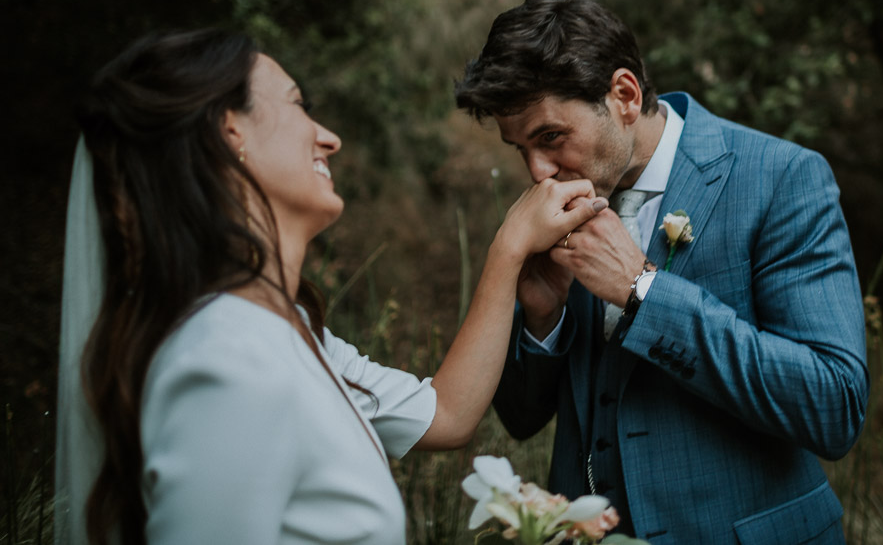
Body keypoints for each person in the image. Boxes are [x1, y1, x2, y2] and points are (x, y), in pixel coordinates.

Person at [54, 29, 606, 545]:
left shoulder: (290, 333)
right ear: (231, 135)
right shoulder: (225, 359)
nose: (330, 138)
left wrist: (508, 253)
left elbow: (447, 414)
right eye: (297, 105)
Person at [454, 0, 869, 545]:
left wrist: (644, 289)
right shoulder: (553, 211)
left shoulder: (781, 177)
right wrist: (542, 318)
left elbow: (833, 405)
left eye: (551, 137)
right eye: (520, 148)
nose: (537, 171)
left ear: (623, 95)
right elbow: (523, 418)